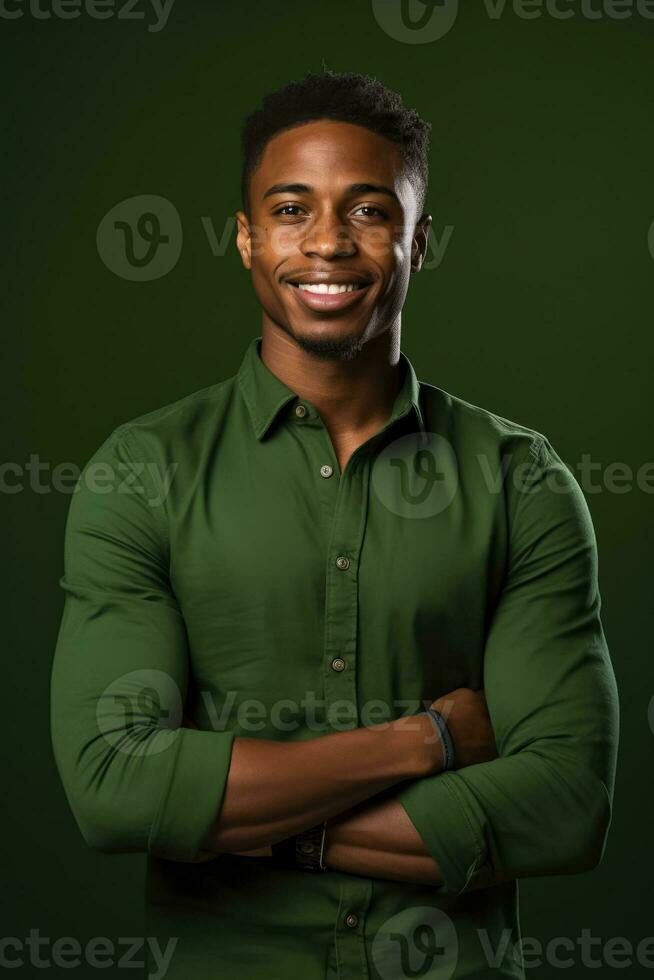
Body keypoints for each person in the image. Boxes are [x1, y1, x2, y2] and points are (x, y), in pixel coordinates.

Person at [50, 70, 619, 980]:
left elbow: (566, 804)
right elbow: (115, 790)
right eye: (289, 209)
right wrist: (424, 742)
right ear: (244, 239)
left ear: (418, 241)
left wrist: (238, 825)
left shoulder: (520, 480)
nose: (326, 242)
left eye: (367, 211)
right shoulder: (144, 470)